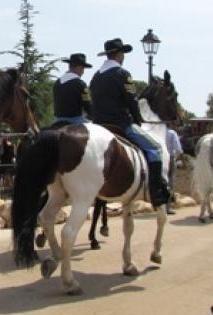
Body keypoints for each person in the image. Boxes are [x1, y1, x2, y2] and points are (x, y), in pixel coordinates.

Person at [90, 38, 169, 207]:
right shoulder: (123, 74)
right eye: (123, 53)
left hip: (98, 125)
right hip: (120, 124)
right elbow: (132, 101)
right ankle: (156, 192)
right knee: (155, 148)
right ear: (119, 54)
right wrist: (137, 120)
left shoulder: (96, 77)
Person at [53, 53, 92, 125]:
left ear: (69, 66)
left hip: (57, 120)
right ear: (79, 67)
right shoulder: (81, 84)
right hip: (76, 120)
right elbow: (87, 106)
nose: (83, 72)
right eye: (83, 68)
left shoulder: (57, 83)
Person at [165, 126, 183, 215]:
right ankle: (168, 207)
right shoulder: (171, 133)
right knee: (170, 182)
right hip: (170, 158)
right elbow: (178, 149)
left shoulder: (156, 131)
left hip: (159, 158)